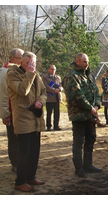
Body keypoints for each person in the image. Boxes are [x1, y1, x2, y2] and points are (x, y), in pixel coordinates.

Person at [7, 51, 46, 192]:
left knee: (34, 151)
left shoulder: (37, 74)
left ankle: (31, 176)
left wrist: (40, 102)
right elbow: (23, 90)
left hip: (36, 119)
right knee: (23, 152)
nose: (31, 66)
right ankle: (20, 181)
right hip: (23, 118)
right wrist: (29, 73)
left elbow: (43, 92)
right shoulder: (12, 74)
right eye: (27, 63)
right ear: (21, 63)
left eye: (33, 63)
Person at [62, 53, 103, 178]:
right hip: (79, 115)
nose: (86, 64)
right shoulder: (71, 76)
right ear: (77, 61)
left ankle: (88, 165)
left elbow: (96, 91)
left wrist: (96, 106)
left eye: (87, 61)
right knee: (78, 141)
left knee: (91, 138)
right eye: (84, 62)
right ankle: (79, 168)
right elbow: (76, 95)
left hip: (90, 114)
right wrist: (90, 108)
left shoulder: (89, 75)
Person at [0, 48, 24, 173]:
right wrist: (5, 114)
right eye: (21, 58)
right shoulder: (5, 72)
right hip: (12, 111)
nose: (23, 60)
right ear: (13, 59)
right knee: (14, 139)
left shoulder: (21, 71)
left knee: (22, 139)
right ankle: (15, 163)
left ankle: (21, 162)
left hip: (22, 112)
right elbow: (3, 95)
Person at [42, 65, 63, 131]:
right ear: (48, 69)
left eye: (54, 69)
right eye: (52, 69)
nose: (53, 71)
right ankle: (48, 126)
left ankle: (56, 126)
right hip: (49, 98)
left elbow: (61, 85)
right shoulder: (45, 77)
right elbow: (45, 86)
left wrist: (59, 90)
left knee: (57, 113)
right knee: (49, 113)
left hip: (57, 97)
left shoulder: (58, 77)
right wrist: (54, 90)